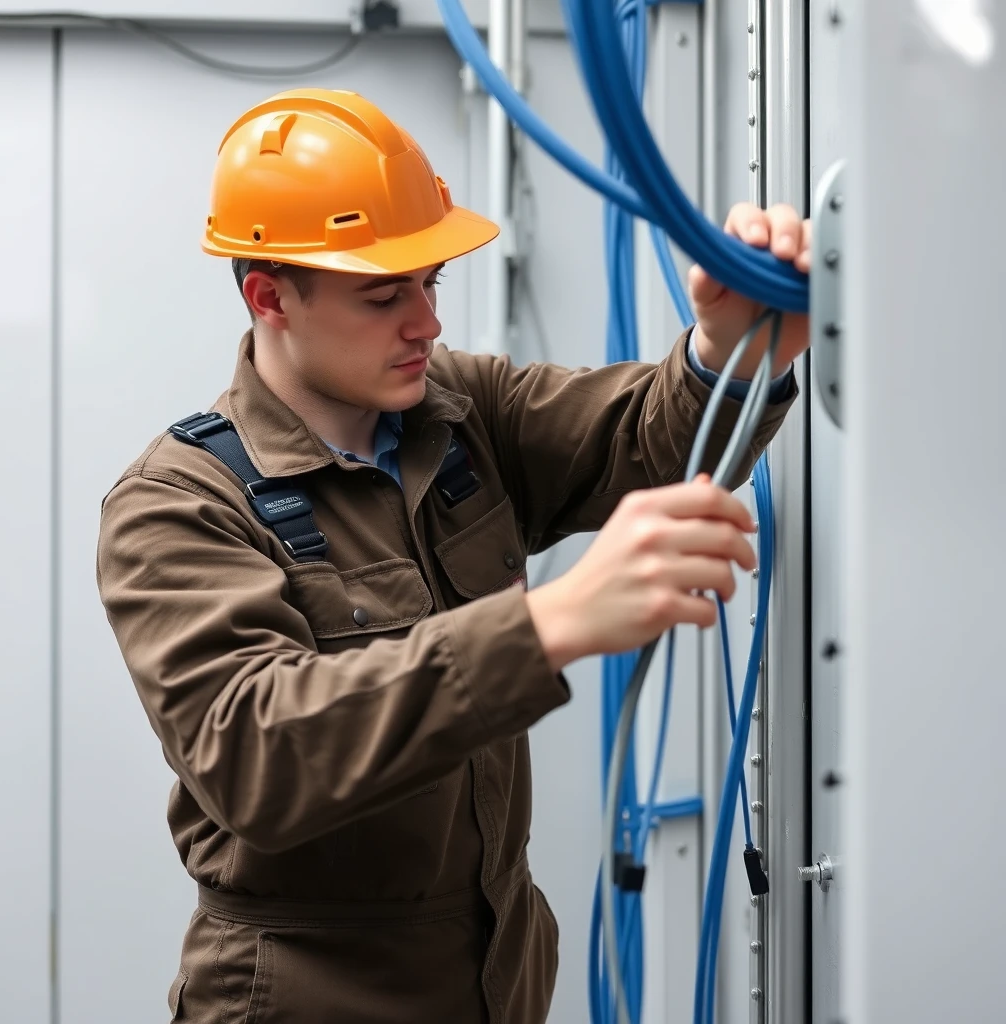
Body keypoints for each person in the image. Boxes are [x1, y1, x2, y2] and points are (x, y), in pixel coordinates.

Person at [96, 89, 809, 1024]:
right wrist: (544, 623)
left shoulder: (458, 410)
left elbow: (640, 439)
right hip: (307, 994)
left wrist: (729, 350)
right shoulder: (178, 505)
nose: (426, 323)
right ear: (269, 295)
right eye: (385, 295)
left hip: (493, 973)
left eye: (430, 283)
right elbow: (257, 752)